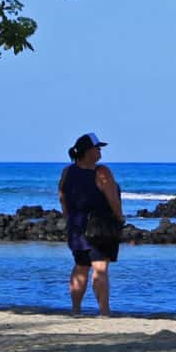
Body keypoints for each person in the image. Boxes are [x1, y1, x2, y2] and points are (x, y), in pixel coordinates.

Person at [59, 132, 123, 317]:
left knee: (81, 266)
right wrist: (120, 219)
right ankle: (104, 311)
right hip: (100, 227)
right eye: (97, 148)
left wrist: (69, 218)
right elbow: (113, 200)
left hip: (77, 227)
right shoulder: (102, 172)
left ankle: (76, 310)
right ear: (88, 151)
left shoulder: (68, 171)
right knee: (100, 268)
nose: (100, 151)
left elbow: (62, 197)